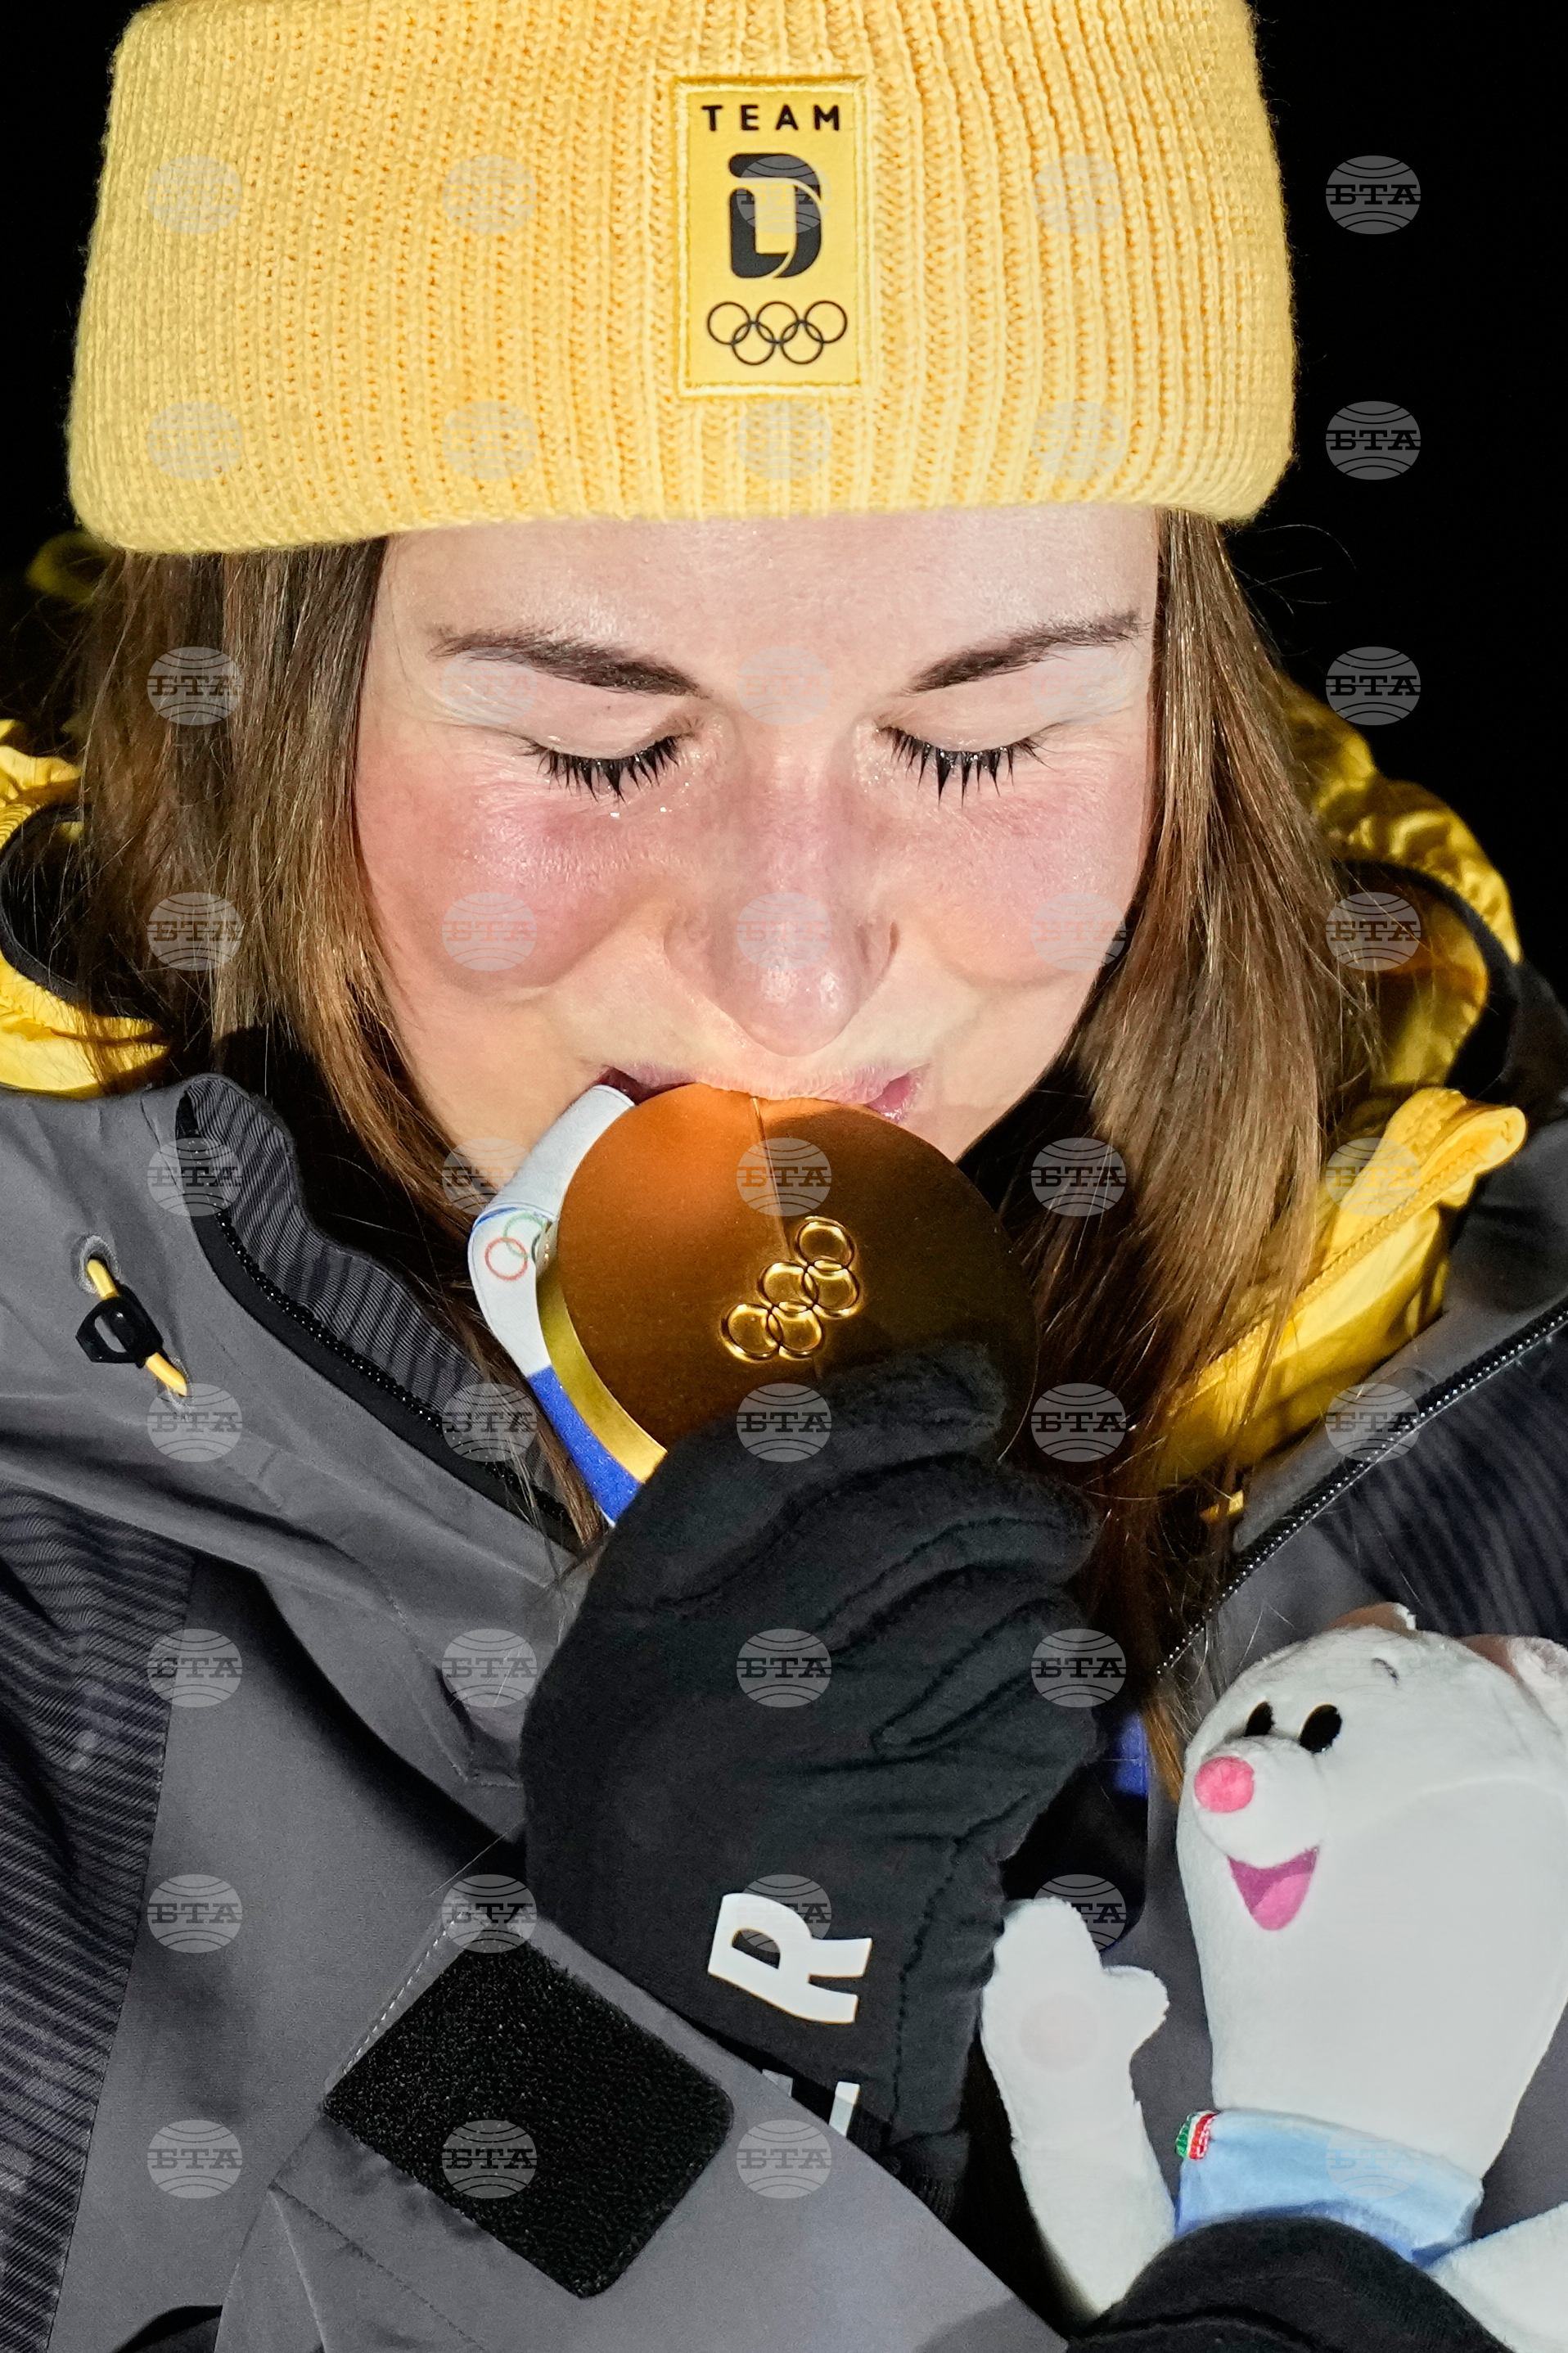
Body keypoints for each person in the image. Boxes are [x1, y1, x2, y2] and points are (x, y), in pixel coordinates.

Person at [2, 1, 1562, 2348]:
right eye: (593, 743)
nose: (794, 963)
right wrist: (633, 2088)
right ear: (264, 688)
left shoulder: (1512, 1398)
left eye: (983, 734)